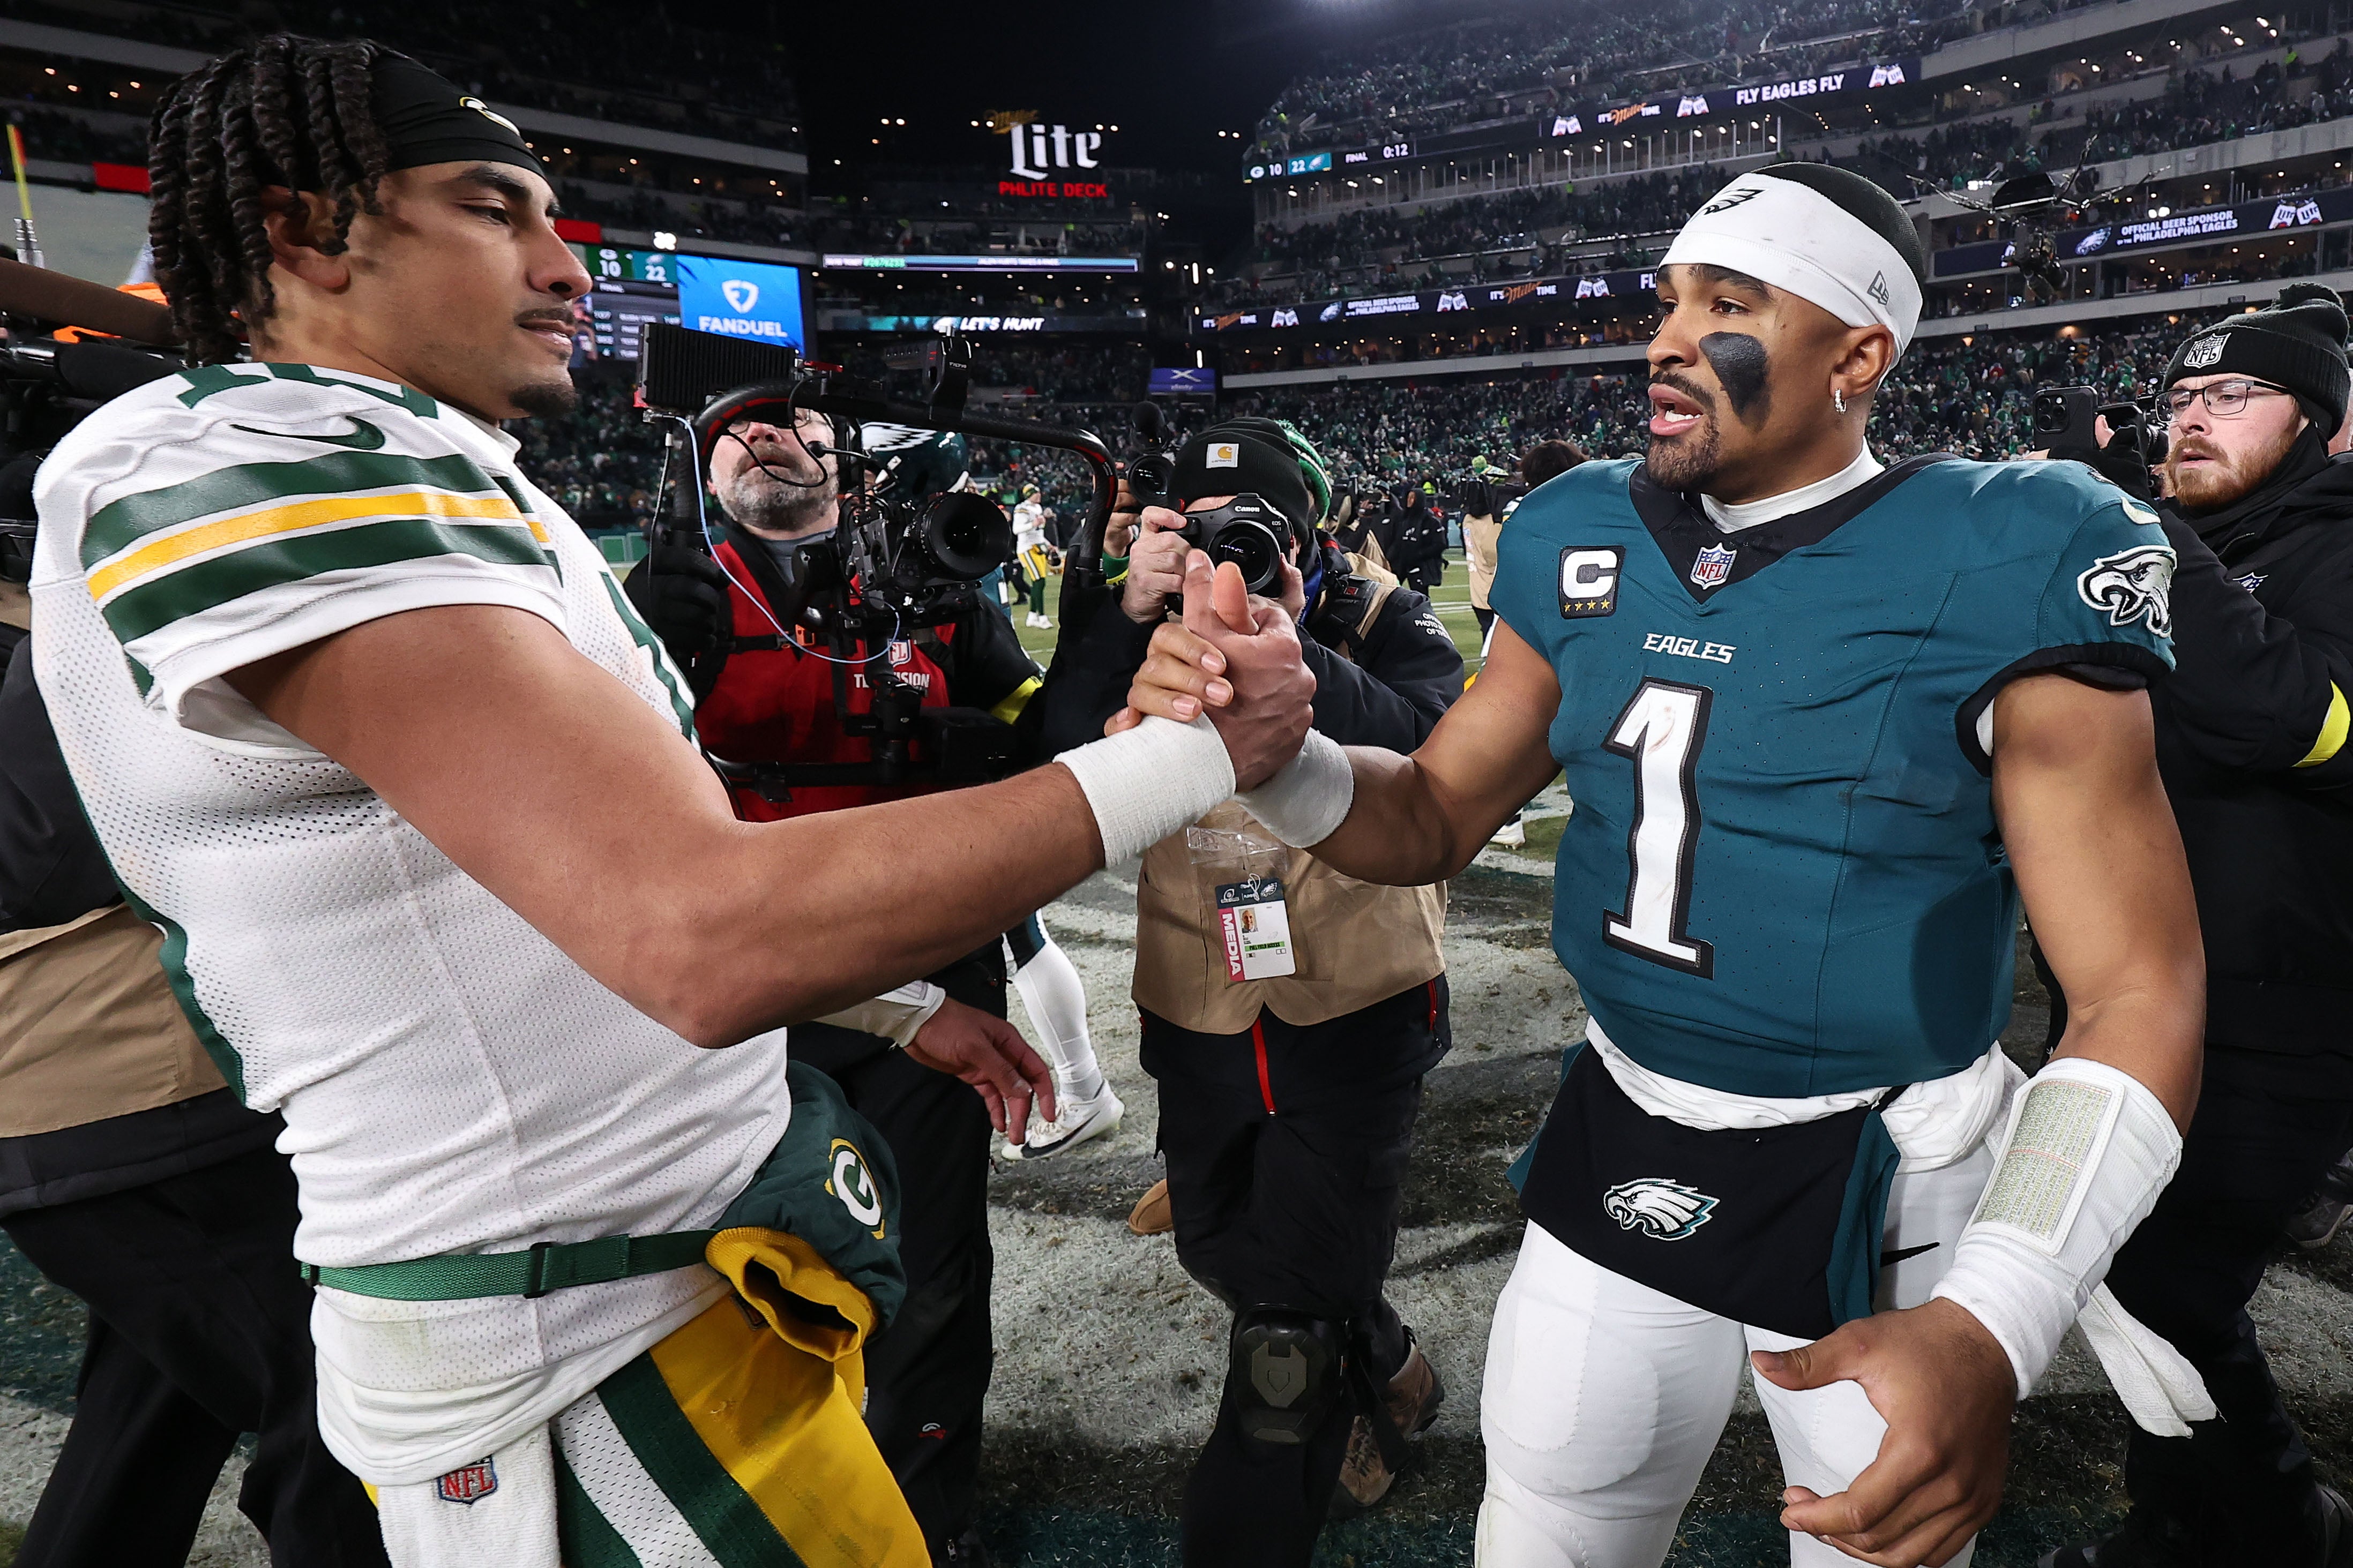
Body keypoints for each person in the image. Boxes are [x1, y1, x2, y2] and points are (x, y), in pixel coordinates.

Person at [34, 37, 1307, 1568]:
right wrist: (1187, 757)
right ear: (310, 232)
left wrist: (903, 1007)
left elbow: (615, 862)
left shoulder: (418, 466)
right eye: (494, 208)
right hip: (573, 1353)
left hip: (657, 1279)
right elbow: (695, 928)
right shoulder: (254, 456)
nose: (566, 265)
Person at [1119, 164, 2206, 1568]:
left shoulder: (2014, 545)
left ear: (1856, 354)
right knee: (1545, 1522)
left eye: (1729, 300)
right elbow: (1431, 815)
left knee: (1867, 1545)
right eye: (1668, 297)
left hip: (1884, 1157)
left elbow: (2135, 987)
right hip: (1621, 1121)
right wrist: (1285, 754)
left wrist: (1996, 1311)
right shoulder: (1580, 527)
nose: (1665, 335)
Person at [619, 402, 1124, 1564]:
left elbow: (1036, 755)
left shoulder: (931, 582)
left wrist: (1102, 626)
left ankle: (922, 1519)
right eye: (734, 427)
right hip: (733, 989)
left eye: (789, 419)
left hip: (919, 975)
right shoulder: (659, 601)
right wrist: (638, 664)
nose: (761, 439)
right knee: (713, 1269)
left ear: (848, 457)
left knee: (931, 1269)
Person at [1041, 417, 1462, 1564]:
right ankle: (1377, 1351)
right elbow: (1045, 768)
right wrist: (1122, 618)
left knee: (1281, 1339)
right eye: (1202, 527)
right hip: (1198, 996)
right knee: (1220, 1243)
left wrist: (1292, 651)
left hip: (1354, 999)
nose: (1228, 551)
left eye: (1256, 525)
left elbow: (1444, 755)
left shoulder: (1376, 617)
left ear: (1310, 531)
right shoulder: (1134, 625)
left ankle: (1320, 1382)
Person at [2035, 285, 2353, 1568]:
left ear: (2321, 422)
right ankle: (2176, 1528)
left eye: (2232, 396)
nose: (2192, 421)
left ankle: (2284, 1530)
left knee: (2162, 1292)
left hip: (2276, 1013)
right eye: (2178, 398)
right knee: (2121, 1273)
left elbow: (2298, 718)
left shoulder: (2334, 545)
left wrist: (2135, 530)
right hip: (2131, 992)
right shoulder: (2189, 535)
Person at [1013, 482, 1055, 628]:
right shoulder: (1021, 508)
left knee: (1040, 582)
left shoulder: (1038, 508)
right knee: (1039, 581)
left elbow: (1039, 533)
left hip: (1039, 547)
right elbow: (1016, 529)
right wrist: (1033, 524)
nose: (1039, 495)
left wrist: (1048, 543)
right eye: (1035, 493)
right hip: (1027, 548)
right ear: (1028, 495)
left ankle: (1032, 616)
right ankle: (1042, 618)